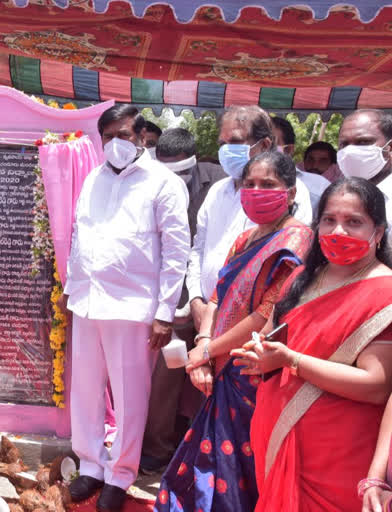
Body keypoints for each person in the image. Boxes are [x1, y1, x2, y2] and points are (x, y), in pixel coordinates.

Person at [156, 151, 312, 512]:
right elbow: (216, 296)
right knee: (204, 465)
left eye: (268, 185)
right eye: (250, 184)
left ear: (289, 192)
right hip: (220, 364)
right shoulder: (245, 240)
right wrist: (205, 345)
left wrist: (209, 353)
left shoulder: (298, 242)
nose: (256, 191)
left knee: (243, 466)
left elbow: (265, 315)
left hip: (253, 373)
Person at [232, 178, 392, 512]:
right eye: (329, 220)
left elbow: (377, 386)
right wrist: (261, 353)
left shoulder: (384, 293)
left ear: (378, 231)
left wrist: (292, 360)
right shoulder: (301, 278)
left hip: (337, 451)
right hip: (276, 432)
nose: (339, 232)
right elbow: (275, 337)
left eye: (354, 222)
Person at [60, 104, 190, 512]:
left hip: (135, 309)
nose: (118, 143)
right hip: (87, 303)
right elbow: (81, 237)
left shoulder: (163, 183)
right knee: (84, 391)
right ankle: (90, 466)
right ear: (101, 140)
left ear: (141, 136)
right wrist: (71, 290)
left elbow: (176, 250)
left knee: (132, 398)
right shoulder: (93, 179)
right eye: (110, 136)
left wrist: (165, 311)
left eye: (126, 135)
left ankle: (120, 474)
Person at [140, 128, 226, 474]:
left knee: (218, 380)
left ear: (195, 165)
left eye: (181, 175)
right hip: (171, 300)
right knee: (166, 376)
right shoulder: (149, 181)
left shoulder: (219, 183)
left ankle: (212, 453)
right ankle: (158, 449)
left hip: (216, 301)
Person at [186, 106, 313, 336]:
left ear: (264, 145)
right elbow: (199, 248)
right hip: (207, 315)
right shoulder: (216, 191)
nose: (225, 150)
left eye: (234, 142)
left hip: (254, 328)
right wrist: (196, 300)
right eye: (222, 143)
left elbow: (288, 271)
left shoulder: (289, 192)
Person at [337, 109, 392, 230]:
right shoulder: (335, 195)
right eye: (344, 144)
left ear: (390, 148)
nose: (350, 151)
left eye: (363, 142)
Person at [272, 115, 329, 210]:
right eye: (257, 143)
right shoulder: (241, 184)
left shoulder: (320, 187)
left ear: (288, 149)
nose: (261, 149)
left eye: (269, 144)